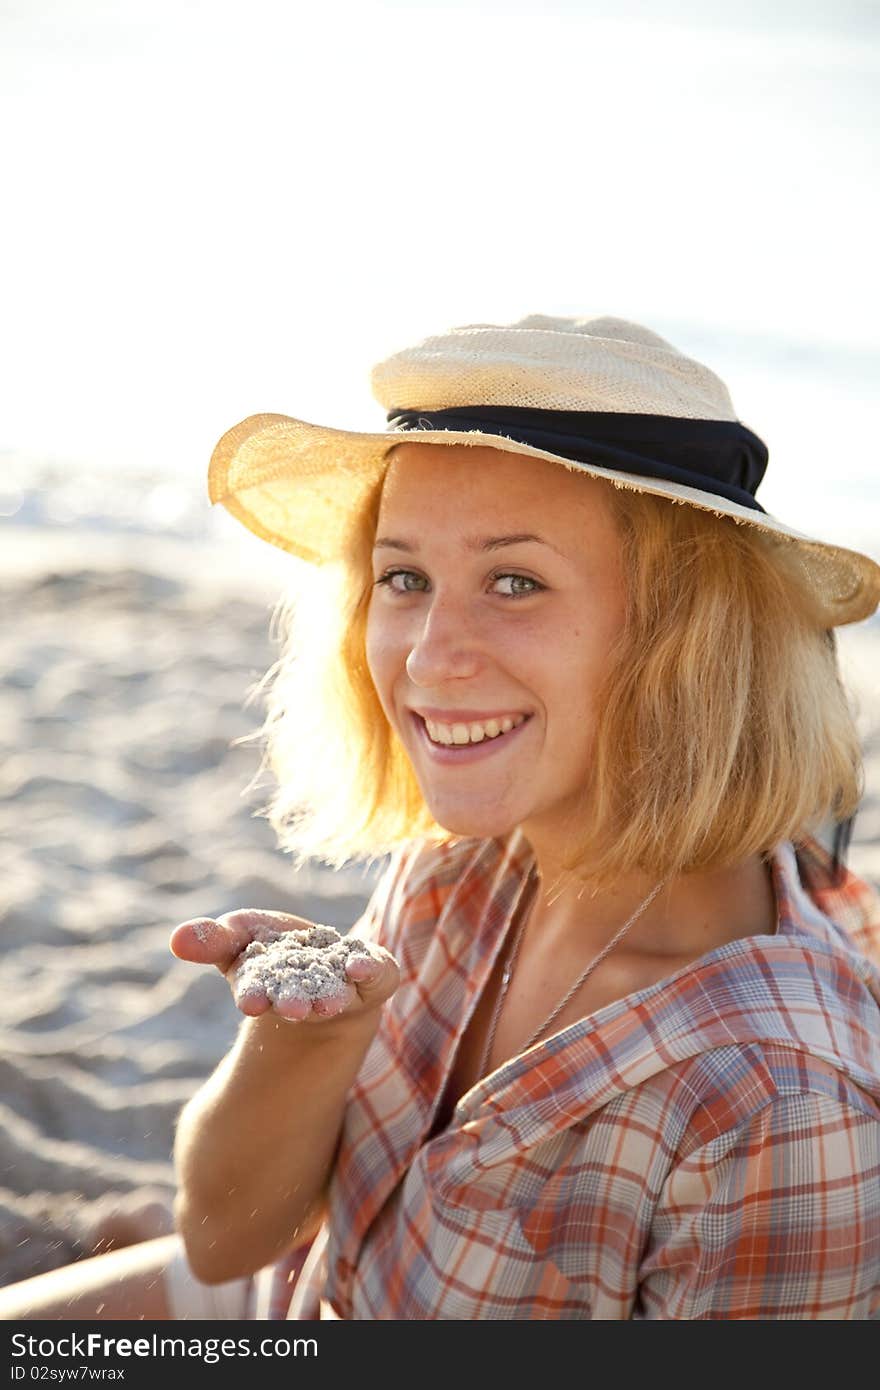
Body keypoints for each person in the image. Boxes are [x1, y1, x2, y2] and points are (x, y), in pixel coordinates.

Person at [3, 313, 880, 1321]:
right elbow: (228, 1235)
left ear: (685, 637)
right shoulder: (468, 865)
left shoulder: (776, 1105)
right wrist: (310, 1043)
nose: (425, 655)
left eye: (515, 581)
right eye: (404, 577)